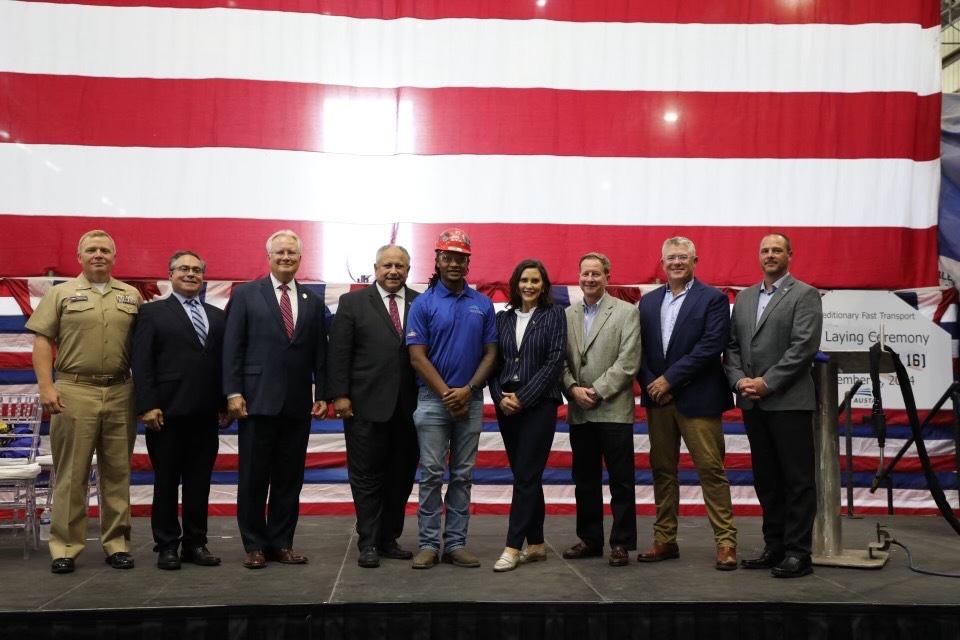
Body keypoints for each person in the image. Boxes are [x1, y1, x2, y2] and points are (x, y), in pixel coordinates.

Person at [27, 230, 142, 574]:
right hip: (73, 391)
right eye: (91, 249)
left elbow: (146, 347)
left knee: (118, 473)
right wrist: (46, 387)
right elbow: (43, 341)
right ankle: (65, 546)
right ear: (79, 257)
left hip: (122, 391)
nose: (98, 255)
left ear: (114, 256)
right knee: (71, 474)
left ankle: (116, 544)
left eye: (105, 249)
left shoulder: (132, 296)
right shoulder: (61, 293)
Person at [223, 229, 328, 569]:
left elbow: (320, 354)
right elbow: (232, 348)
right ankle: (254, 545)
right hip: (255, 402)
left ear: (300, 258)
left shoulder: (313, 301)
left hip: (297, 406)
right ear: (268, 257)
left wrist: (323, 393)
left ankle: (282, 543)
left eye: (292, 253)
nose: (285, 257)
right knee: (253, 478)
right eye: (280, 252)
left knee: (288, 479)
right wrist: (233, 392)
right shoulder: (246, 294)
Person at [724, 233, 822, 578]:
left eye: (776, 250)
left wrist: (766, 382)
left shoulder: (805, 294)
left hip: (789, 402)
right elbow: (732, 346)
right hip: (753, 404)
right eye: (764, 250)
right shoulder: (747, 297)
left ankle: (799, 553)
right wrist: (739, 381)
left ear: (789, 255)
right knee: (767, 480)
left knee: (797, 481)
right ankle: (775, 546)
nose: (770, 255)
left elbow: (803, 348)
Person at [637, 237, 737, 570]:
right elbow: (640, 350)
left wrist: (670, 381)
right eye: (670, 258)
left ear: (695, 260)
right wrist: (655, 385)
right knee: (662, 471)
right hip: (659, 400)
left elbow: (711, 347)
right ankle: (665, 539)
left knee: (711, 470)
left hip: (699, 398)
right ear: (661, 263)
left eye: (683, 257)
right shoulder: (648, 303)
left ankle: (725, 543)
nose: (676, 262)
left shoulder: (713, 299)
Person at [405, 228, 497, 569]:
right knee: (430, 474)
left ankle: (455, 543)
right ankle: (429, 544)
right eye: (448, 256)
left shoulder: (482, 304)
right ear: (438, 260)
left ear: (468, 261)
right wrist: (448, 395)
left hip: (470, 401)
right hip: (433, 400)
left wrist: (469, 391)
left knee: (461, 475)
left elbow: (491, 354)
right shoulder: (423, 303)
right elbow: (417, 357)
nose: (455, 263)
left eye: (461, 257)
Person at [327, 244, 420, 568]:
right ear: (376, 268)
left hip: (410, 409)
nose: (393, 271)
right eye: (387, 265)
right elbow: (338, 352)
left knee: (401, 475)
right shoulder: (352, 302)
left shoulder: (421, 303)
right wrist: (340, 394)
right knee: (366, 477)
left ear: (408, 270)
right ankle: (367, 542)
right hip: (364, 406)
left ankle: (388, 538)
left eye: (400, 266)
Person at [131, 250, 226, 570]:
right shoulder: (153, 313)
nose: (190, 274)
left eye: (197, 270)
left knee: (200, 483)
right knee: (167, 482)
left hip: (206, 415)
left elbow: (223, 364)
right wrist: (146, 405)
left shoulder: (218, 315)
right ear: (170, 275)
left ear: (204, 277)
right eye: (183, 269)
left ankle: (195, 543)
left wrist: (226, 402)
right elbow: (141, 363)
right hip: (165, 415)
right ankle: (167, 545)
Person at [561, 252, 640, 567]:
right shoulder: (566, 314)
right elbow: (559, 360)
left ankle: (621, 542)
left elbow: (629, 361)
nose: (590, 279)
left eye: (596, 273)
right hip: (580, 411)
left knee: (621, 481)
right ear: (578, 277)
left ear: (607, 276)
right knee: (585, 480)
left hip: (613, 409)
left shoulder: (626, 312)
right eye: (585, 274)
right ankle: (590, 540)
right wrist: (572, 389)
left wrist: (596, 390)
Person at [489, 259, 566, 572]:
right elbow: (493, 362)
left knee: (526, 476)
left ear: (543, 284)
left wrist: (523, 397)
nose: (529, 286)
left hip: (539, 405)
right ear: (515, 283)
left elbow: (554, 361)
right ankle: (535, 544)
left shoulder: (554, 315)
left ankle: (512, 545)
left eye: (535, 280)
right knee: (526, 476)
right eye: (524, 280)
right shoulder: (503, 318)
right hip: (507, 406)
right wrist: (500, 397)